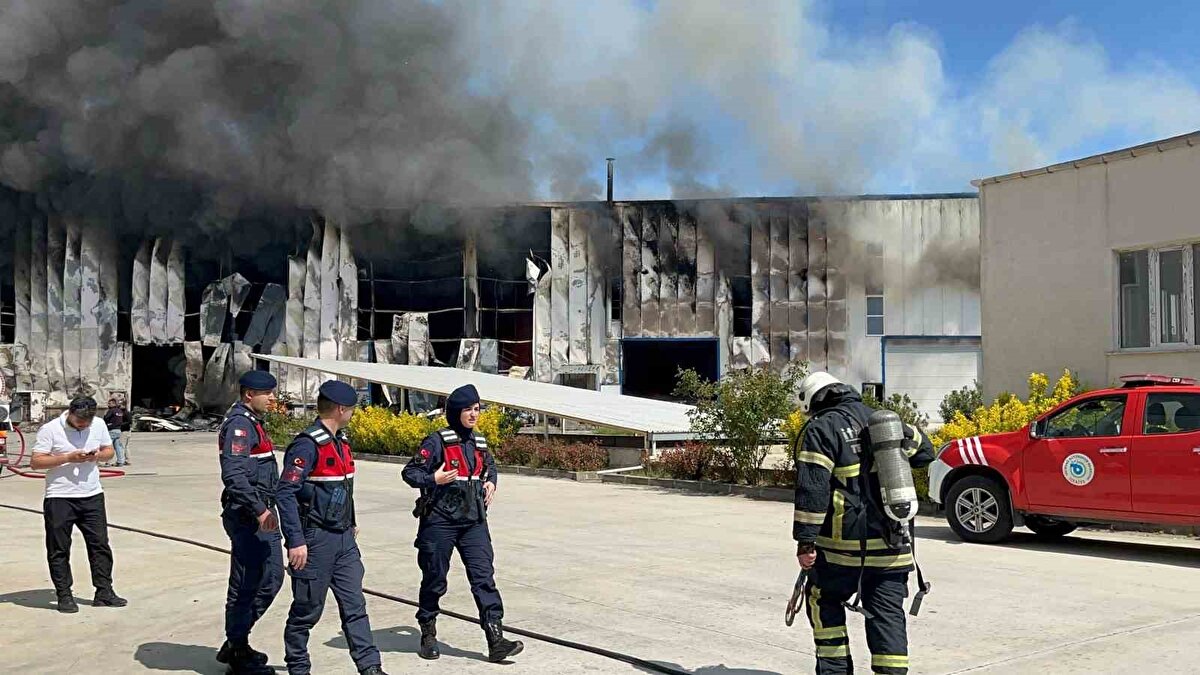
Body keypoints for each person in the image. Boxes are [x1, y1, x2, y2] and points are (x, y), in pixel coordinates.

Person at [791, 372, 934, 675]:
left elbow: (813, 490)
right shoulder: (884, 422)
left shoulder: (822, 429)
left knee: (823, 599)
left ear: (814, 402)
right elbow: (925, 453)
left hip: (841, 552)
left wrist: (805, 542)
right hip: (895, 547)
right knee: (887, 617)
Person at [402, 384, 523, 663]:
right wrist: (434, 479)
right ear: (456, 412)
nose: (473, 414)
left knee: (484, 579)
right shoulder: (436, 442)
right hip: (440, 522)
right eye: (468, 409)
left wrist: (491, 480)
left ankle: (496, 640)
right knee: (435, 578)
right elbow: (410, 472)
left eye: (477, 409)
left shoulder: (479, 442)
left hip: (474, 522)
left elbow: (489, 467)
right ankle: (428, 632)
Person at [275, 380, 386, 675]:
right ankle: (298, 666)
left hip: (344, 541)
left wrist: (351, 523)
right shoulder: (307, 445)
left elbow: (342, 490)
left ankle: (370, 667)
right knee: (307, 611)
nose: (353, 414)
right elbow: (284, 492)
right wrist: (295, 541)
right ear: (340, 409)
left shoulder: (340, 443)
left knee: (355, 606)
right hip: (315, 540)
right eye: (351, 409)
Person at [29, 396, 127, 614]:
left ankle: (104, 591)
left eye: (87, 422)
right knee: (59, 548)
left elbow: (108, 451)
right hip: (60, 497)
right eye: (79, 421)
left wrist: (97, 456)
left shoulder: (99, 424)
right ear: (70, 412)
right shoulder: (50, 429)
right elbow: (36, 462)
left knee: (100, 544)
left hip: (92, 495)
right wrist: (67, 458)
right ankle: (64, 594)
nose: (83, 425)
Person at [216, 371, 284, 674]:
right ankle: (238, 651)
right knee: (247, 584)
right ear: (248, 395)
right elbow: (234, 476)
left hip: (261, 512)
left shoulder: (254, 422)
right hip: (249, 517)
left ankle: (236, 641)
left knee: (270, 579)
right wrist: (260, 510)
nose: (272, 399)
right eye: (267, 394)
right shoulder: (241, 426)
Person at [103, 397, 131, 467]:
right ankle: (120, 461)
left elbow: (106, 418)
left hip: (111, 430)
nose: (108, 405)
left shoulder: (111, 410)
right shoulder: (120, 411)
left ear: (113, 404)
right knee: (118, 446)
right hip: (118, 430)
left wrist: (105, 417)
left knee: (108, 446)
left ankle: (108, 462)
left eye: (109, 403)